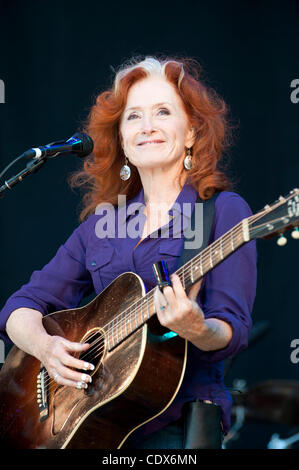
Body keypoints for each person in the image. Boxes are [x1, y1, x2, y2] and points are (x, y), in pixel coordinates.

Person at [0, 56, 257, 449]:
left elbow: (232, 329)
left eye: (162, 112)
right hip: (91, 425)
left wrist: (197, 328)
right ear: (121, 138)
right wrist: (45, 347)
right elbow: (21, 305)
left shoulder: (221, 211)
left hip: (176, 429)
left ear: (191, 133)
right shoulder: (102, 226)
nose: (147, 126)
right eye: (133, 117)